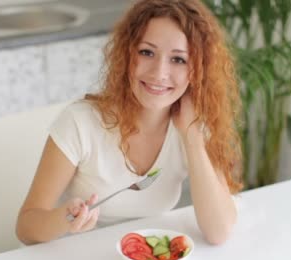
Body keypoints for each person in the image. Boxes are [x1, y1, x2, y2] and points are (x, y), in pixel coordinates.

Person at [16, 0, 243, 246]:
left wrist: (192, 140)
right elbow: (26, 227)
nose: (158, 73)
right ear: (127, 54)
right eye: (147, 52)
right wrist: (65, 219)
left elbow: (219, 232)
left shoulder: (192, 127)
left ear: (197, 70)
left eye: (178, 60)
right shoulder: (80, 123)